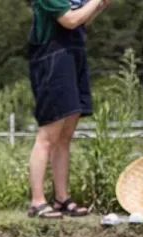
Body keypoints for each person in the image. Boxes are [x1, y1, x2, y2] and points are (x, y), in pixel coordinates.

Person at [27, 0, 110, 219]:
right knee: (48, 135)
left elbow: (84, 19)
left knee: (65, 137)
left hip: (75, 56)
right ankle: (37, 201)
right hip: (52, 59)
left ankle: (62, 198)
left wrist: (100, 6)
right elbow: (70, 20)